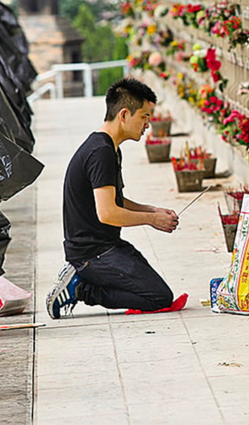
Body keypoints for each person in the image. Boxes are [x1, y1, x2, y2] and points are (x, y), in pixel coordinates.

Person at [46, 78, 186, 319]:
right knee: (158, 297)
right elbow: (108, 213)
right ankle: (82, 288)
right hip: (93, 253)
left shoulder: (108, 147)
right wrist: (151, 220)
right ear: (124, 114)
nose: (147, 125)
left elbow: (115, 199)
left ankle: (83, 279)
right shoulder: (101, 152)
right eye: (144, 116)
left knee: (155, 292)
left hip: (105, 246)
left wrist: (152, 210)